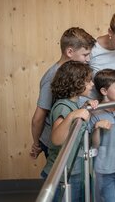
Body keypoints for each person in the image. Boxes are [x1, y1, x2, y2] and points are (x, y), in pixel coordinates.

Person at [30, 27, 96, 159]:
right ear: (70, 52)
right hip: (55, 143)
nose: (88, 59)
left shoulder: (76, 74)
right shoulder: (52, 77)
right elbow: (38, 118)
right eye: (85, 55)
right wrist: (36, 144)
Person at [42, 60, 98, 202]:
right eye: (88, 81)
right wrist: (73, 115)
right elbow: (56, 139)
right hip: (63, 175)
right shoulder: (63, 107)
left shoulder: (74, 103)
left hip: (76, 170)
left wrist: (85, 106)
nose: (92, 84)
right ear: (76, 82)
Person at [88, 69, 115, 202]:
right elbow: (94, 145)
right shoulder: (95, 114)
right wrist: (97, 128)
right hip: (105, 170)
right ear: (104, 91)